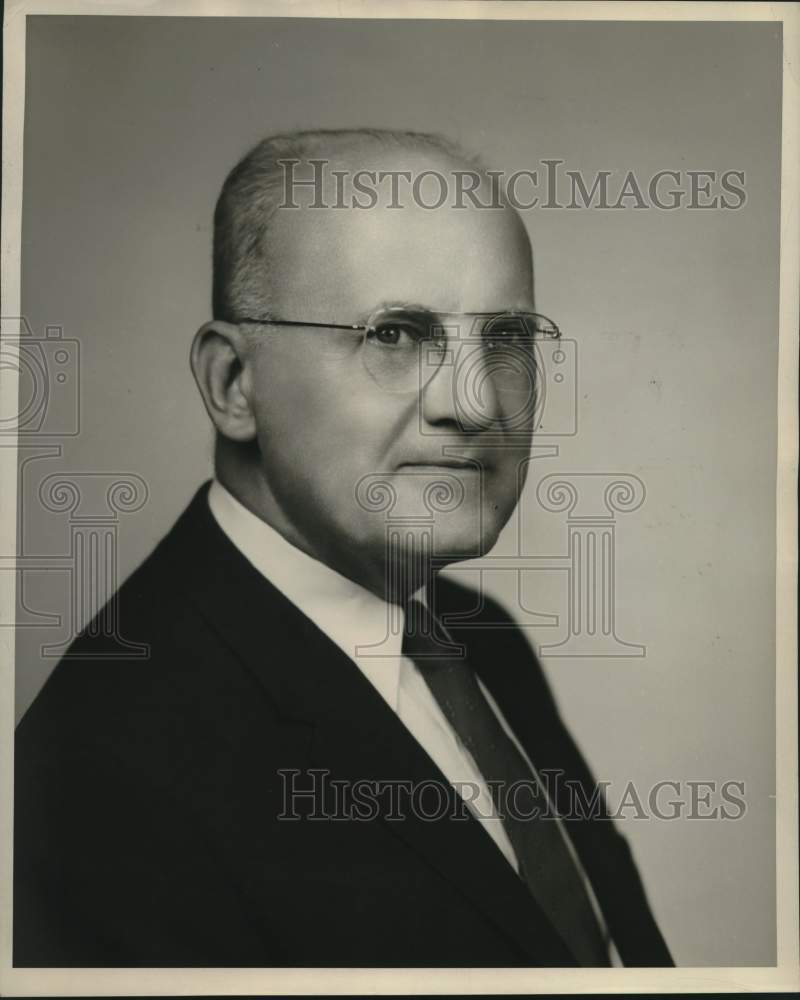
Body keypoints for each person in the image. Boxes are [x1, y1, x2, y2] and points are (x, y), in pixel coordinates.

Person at [14, 129, 672, 968]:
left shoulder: (476, 637)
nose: (471, 404)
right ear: (232, 384)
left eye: (505, 339)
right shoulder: (102, 777)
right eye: (396, 334)